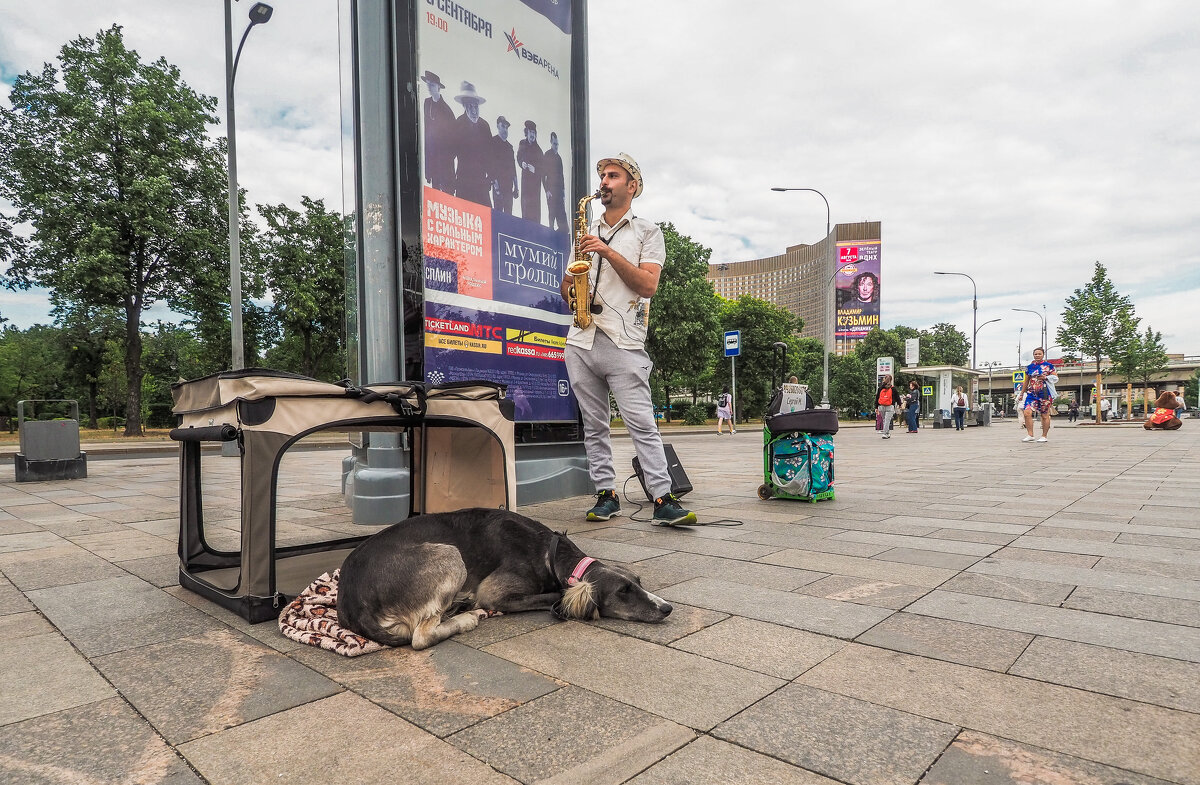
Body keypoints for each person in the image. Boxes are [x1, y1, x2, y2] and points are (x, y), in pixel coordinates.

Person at [560, 153, 695, 526]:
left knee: (641, 424)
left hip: (623, 341)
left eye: (613, 176)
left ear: (632, 186)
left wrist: (606, 251)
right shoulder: (584, 232)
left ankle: (662, 498)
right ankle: (606, 493)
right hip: (581, 339)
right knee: (593, 424)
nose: (604, 181)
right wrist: (573, 294)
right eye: (602, 176)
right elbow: (568, 284)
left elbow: (647, 285)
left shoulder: (647, 232)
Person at [451, 82, 493, 206]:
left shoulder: (484, 126)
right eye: (470, 107)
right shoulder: (458, 124)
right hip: (464, 182)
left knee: (486, 219)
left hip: (482, 183)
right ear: (464, 106)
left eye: (476, 107)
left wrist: (490, 178)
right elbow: (450, 154)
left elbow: (491, 155)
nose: (474, 111)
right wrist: (452, 180)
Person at [420, 71, 456, 193]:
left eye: (433, 85)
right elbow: (426, 136)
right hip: (433, 161)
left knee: (447, 197)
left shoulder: (447, 111)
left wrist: (447, 165)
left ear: (438, 87)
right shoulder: (427, 103)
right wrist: (428, 169)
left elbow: (453, 143)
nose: (429, 88)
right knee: (435, 200)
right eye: (428, 84)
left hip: (446, 164)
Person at [1021, 347, 1057, 442]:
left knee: (1044, 415)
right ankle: (1030, 434)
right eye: (1035, 354)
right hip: (1032, 393)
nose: (1037, 355)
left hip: (1045, 393)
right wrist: (1021, 393)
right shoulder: (1030, 367)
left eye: (1039, 354)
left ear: (1043, 355)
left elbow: (1055, 377)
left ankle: (1044, 436)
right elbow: (1026, 381)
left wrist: (1046, 377)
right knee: (1027, 412)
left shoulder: (1049, 366)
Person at [490, 116, 518, 214]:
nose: (505, 130)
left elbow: (513, 168)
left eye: (507, 127)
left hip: (509, 189)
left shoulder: (510, 147)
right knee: (498, 216)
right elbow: (491, 165)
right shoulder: (493, 142)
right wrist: (496, 187)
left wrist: (517, 187)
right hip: (498, 187)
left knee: (508, 217)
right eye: (503, 126)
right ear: (498, 126)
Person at [517, 121, 543, 223]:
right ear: (526, 132)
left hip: (535, 185)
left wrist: (535, 170)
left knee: (534, 209)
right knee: (525, 206)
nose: (532, 135)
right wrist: (521, 163)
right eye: (530, 132)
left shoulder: (539, 150)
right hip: (525, 183)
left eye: (534, 132)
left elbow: (543, 169)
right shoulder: (522, 143)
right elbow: (519, 157)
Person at [543, 131, 568, 232]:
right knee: (552, 212)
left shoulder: (559, 158)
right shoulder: (547, 155)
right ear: (551, 142)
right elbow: (543, 175)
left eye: (557, 144)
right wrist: (547, 190)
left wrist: (563, 192)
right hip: (551, 191)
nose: (556, 146)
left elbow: (561, 176)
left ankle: (562, 231)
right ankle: (550, 231)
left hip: (559, 191)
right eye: (554, 144)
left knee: (561, 213)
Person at [875, 374, 899, 439]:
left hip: (881, 406)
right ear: (891, 380)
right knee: (887, 420)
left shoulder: (880, 388)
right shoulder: (893, 388)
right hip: (890, 406)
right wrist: (900, 404)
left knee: (884, 420)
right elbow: (897, 398)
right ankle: (885, 434)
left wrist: (876, 407)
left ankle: (887, 433)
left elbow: (877, 398)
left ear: (884, 380)